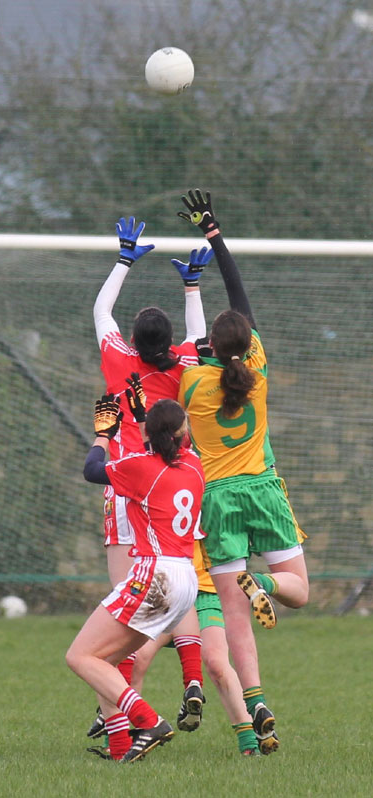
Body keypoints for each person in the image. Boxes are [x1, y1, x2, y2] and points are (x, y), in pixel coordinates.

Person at [177, 189, 309, 755]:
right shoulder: (255, 372)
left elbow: (197, 341)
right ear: (247, 344)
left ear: (209, 348)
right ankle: (269, 585)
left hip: (220, 500)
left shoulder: (194, 386)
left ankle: (255, 700)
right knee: (300, 592)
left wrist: (190, 286)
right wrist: (216, 234)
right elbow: (239, 298)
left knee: (233, 613)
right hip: (263, 489)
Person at [88, 216, 213, 739]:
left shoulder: (119, 359)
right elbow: (200, 338)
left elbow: (100, 311)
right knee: (175, 584)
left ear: (133, 339)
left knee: (125, 606)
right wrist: (192, 287)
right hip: (178, 484)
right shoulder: (182, 365)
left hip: (128, 484)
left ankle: (119, 721)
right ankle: (187, 677)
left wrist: (124, 260)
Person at [66, 391, 205, 762]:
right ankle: (121, 747)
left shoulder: (140, 468)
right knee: (106, 661)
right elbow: (158, 454)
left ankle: (148, 721)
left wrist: (105, 434)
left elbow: (92, 470)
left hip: (153, 575)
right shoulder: (194, 464)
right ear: (180, 435)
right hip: (184, 581)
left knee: (79, 656)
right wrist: (145, 417)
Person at [131, 538, 260, 756]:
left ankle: (250, 743)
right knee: (135, 659)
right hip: (168, 587)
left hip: (207, 593)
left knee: (216, 662)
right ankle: (116, 738)